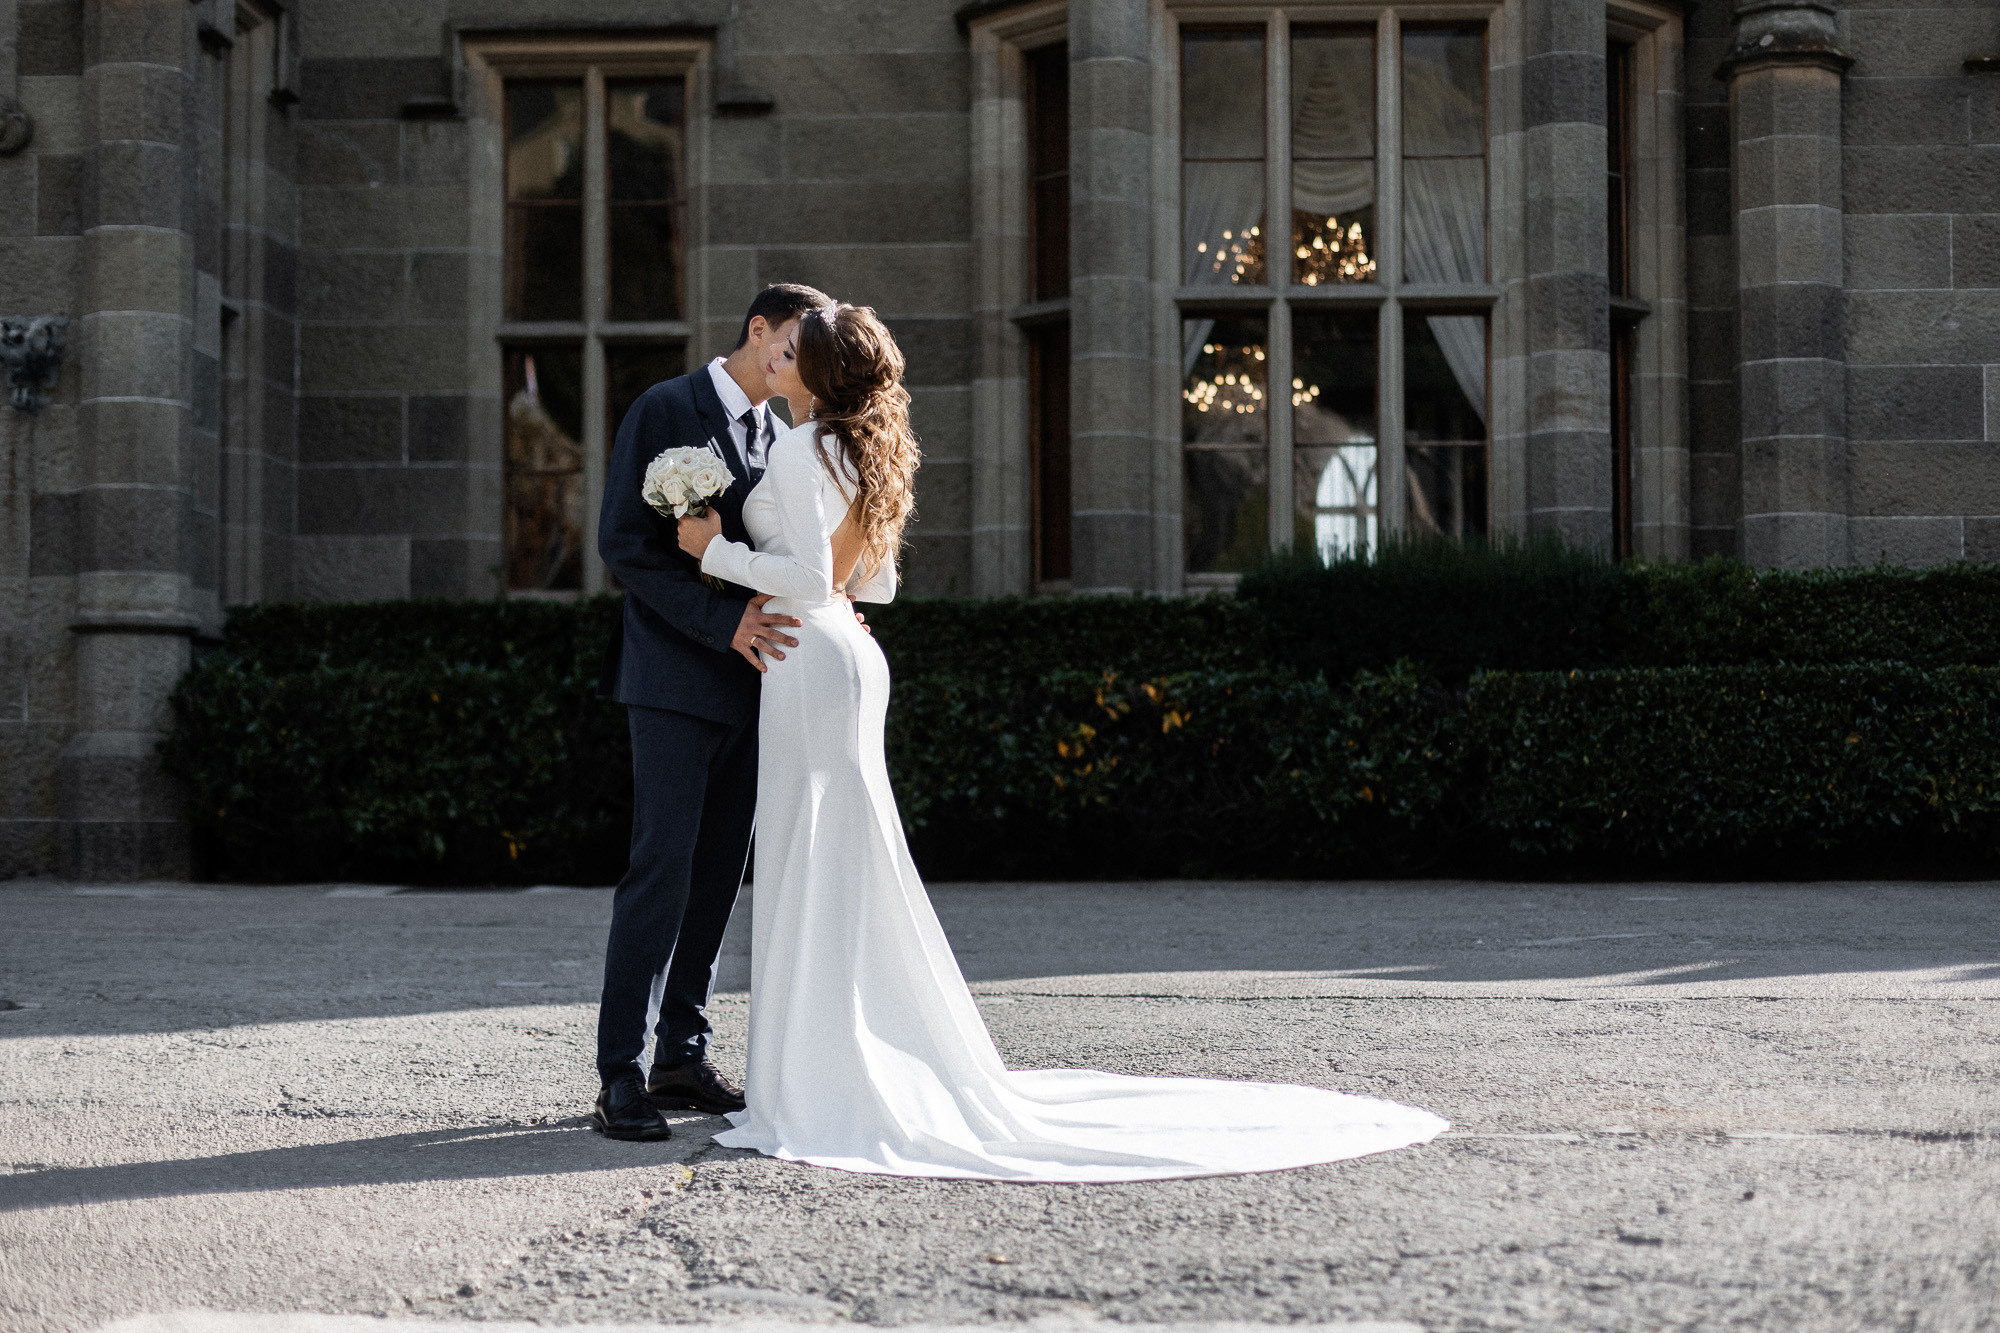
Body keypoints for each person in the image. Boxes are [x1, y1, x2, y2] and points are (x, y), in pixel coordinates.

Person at [673, 304, 1449, 1181]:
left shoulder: (798, 446)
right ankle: (834, 1065)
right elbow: (871, 582)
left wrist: (714, 550)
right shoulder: (861, 446)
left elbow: (812, 579)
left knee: (805, 856)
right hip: (851, 652)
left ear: (813, 372)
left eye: (792, 348)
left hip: (808, 658)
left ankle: (810, 1080)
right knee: (849, 859)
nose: (776, 353)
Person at [590, 282, 832, 1141]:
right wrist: (719, 619)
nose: (801, 363)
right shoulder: (666, 408)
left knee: (721, 876)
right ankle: (619, 1073)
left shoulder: (781, 435)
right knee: (661, 869)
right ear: (758, 329)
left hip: (756, 682)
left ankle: (682, 1054)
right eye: (793, 345)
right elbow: (624, 545)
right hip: (671, 681)